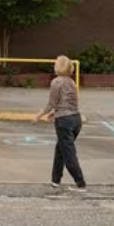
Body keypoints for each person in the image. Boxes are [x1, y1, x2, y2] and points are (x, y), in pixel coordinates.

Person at [36, 55, 86, 192]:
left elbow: (52, 103)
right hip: (76, 119)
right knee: (61, 150)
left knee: (68, 153)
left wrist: (39, 115)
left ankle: (80, 183)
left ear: (57, 67)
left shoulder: (56, 82)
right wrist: (54, 113)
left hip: (64, 121)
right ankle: (55, 180)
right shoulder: (71, 82)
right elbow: (69, 102)